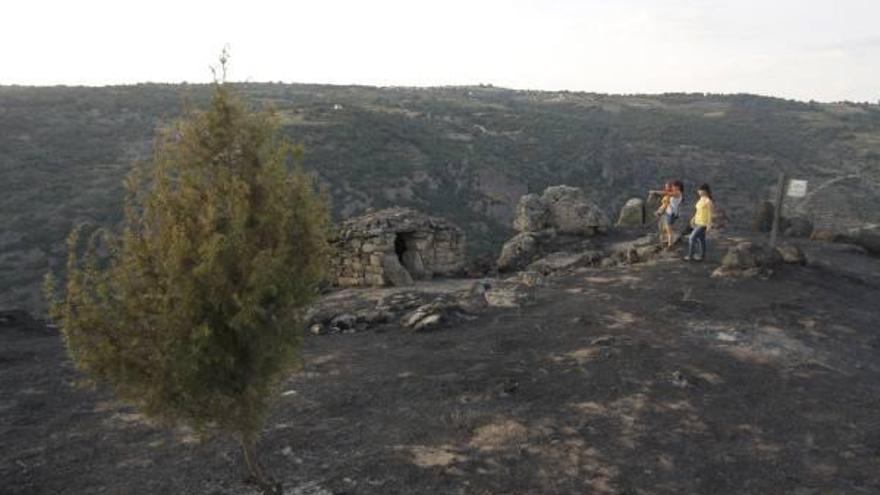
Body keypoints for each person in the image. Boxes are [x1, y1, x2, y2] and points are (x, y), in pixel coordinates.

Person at [685, 183, 714, 261]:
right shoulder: (700, 199)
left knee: (691, 238)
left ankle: (690, 256)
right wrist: (693, 218)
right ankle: (702, 256)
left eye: (700, 190)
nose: (698, 191)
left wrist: (709, 225)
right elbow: (698, 210)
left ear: (704, 191)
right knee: (701, 240)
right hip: (698, 222)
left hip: (703, 224)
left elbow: (710, 214)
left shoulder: (708, 201)